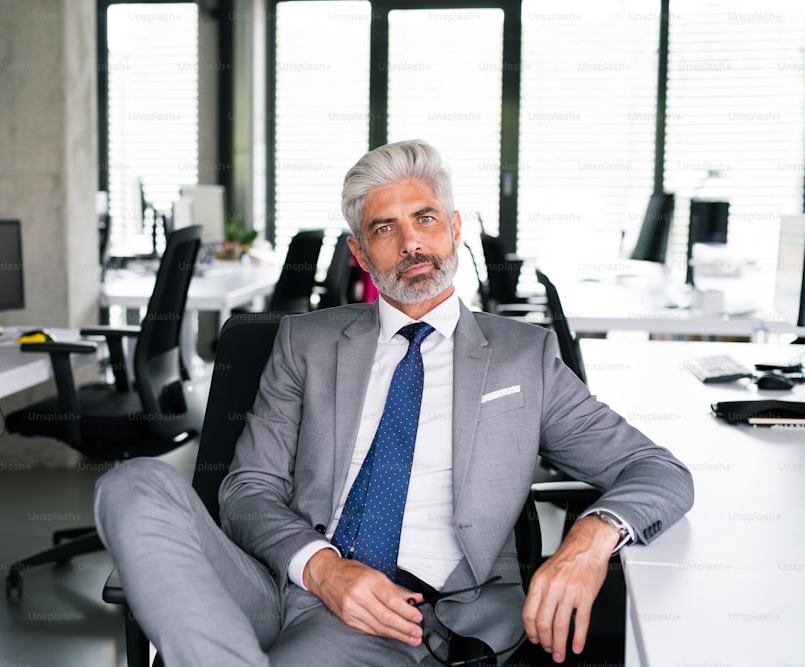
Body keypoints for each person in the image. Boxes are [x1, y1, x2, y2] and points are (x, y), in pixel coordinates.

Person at [94, 139, 694, 666]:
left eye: (425, 218)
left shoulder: (523, 357)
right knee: (132, 484)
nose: (410, 243)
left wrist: (589, 539)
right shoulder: (307, 340)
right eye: (385, 228)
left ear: (455, 229)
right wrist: (323, 569)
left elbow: (658, 472)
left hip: (400, 613)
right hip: (278, 577)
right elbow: (248, 489)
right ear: (361, 254)